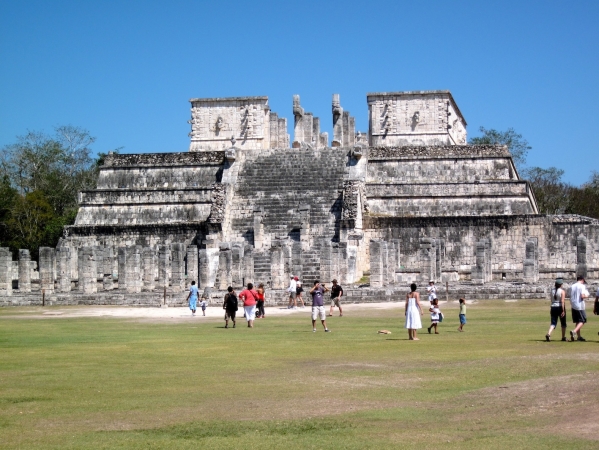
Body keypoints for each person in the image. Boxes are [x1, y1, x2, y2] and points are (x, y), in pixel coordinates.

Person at [569, 276, 589, 341]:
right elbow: (582, 296)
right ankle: (574, 331)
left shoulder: (572, 286)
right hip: (580, 305)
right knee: (583, 320)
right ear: (582, 280)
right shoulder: (581, 286)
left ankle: (579, 336)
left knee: (577, 321)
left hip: (573, 305)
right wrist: (587, 296)